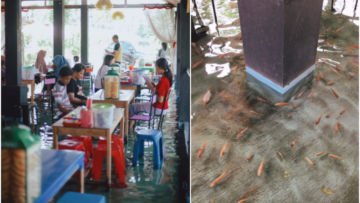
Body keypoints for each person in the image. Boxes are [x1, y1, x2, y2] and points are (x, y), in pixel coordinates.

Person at [129, 58, 172, 125]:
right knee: (136, 106)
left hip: (158, 108)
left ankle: (128, 128)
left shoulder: (164, 81)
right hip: (160, 107)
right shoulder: (165, 79)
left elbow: (160, 99)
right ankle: (132, 125)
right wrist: (150, 84)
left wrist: (151, 87)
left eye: (156, 67)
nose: (155, 69)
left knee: (131, 107)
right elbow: (158, 91)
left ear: (160, 68)